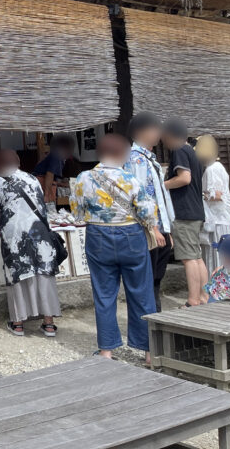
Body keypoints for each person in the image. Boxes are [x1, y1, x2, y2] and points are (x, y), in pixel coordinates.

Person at [71, 133, 157, 361]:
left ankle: (106, 350)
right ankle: (149, 350)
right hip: (131, 236)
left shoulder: (83, 178)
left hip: (98, 235)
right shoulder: (130, 179)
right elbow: (148, 212)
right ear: (123, 153)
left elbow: (77, 213)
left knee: (104, 293)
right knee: (141, 291)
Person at [0, 149, 61, 337]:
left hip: (15, 237)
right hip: (39, 234)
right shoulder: (32, 179)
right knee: (43, 274)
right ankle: (49, 324)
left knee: (17, 276)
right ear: (18, 162)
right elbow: (41, 207)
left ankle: (18, 323)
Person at [125, 112, 175, 311]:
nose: (158, 133)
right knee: (147, 277)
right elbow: (139, 197)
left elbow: (161, 197)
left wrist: (167, 230)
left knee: (156, 277)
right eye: (155, 129)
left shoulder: (149, 158)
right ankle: (147, 324)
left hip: (160, 227)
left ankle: (156, 319)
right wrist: (153, 228)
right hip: (147, 228)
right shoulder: (134, 159)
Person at [162, 119, 207, 307]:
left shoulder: (179, 150)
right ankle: (204, 296)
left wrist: (161, 185)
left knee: (189, 259)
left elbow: (184, 178)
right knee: (196, 256)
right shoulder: (192, 151)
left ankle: (193, 300)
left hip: (184, 212)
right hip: (196, 210)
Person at [196, 134, 230, 275]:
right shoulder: (218, 166)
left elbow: (217, 195)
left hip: (217, 218)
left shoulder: (212, 168)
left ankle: (217, 284)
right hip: (221, 217)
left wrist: (201, 195)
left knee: (216, 252)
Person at [33, 133, 75, 203]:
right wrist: (47, 195)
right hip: (42, 182)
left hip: (45, 180)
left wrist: (64, 183)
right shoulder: (57, 155)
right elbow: (50, 174)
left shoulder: (58, 155)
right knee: (46, 203)